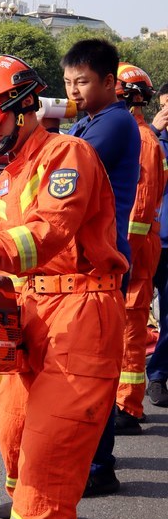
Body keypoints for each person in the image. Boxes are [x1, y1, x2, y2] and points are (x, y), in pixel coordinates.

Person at [0, 53, 127, 519]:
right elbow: (10, 258)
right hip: (32, 315)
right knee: (15, 431)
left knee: (49, 454)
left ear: (24, 109)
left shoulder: (68, 155)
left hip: (81, 317)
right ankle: (29, 501)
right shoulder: (5, 180)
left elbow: (47, 234)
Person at [63, 39, 140, 496]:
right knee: (83, 369)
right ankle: (93, 462)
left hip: (102, 261)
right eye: (69, 81)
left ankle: (97, 468)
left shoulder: (112, 123)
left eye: (83, 82)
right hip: (88, 259)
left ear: (110, 83)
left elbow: (63, 163)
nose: (74, 90)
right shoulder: (88, 120)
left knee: (91, 372)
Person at [111, 63, 166, 434]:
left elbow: (139, 211)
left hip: (133, 253)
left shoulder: (142, 141)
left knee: (131, 328)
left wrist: (118, 259)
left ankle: (129, 407)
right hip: (132, 251)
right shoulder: (135, 136)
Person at [148, 82, 168, 407]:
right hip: (145, 243)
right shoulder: (149, 141)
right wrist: (154, 131)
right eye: (165, 106)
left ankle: (158, 376)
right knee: (131, 318)